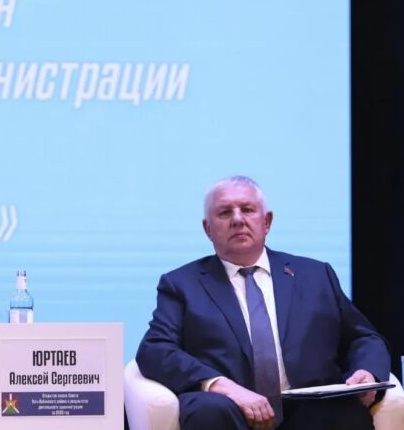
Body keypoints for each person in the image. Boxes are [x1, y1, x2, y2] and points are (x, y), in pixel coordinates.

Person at [136, 176, 390, 430]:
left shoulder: (315, 275)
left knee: (345, 413)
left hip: (308, 409)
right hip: (228, 410)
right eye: (225, 212)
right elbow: (155, 349)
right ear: (207, 229)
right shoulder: (182, 284)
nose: (238, 219)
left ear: (266, 221)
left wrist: (367, 371)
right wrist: (219, 384)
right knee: (208, 411)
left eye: (247, 209)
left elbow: (364, 337)